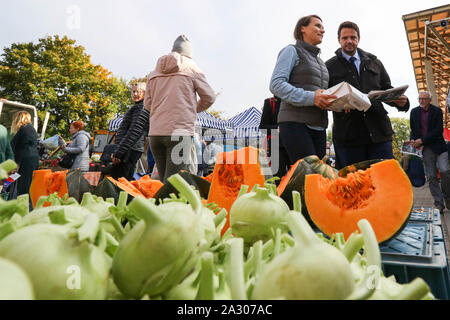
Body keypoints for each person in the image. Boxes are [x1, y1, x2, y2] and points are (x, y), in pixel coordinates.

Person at [325, 21, 409, 169]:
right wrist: (340, 105)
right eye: (345, 38)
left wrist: (400, 101)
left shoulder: (375, 62)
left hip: (379, 134)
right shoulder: (329, 66)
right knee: (353, 185)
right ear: (339, 40)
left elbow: (386, 88)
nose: (349, 41)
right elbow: (326, 97)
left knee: (383, 182)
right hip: (348, 137)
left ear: (358, 38)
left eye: (353, 37)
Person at [144, 35, 216, 182]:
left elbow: (147, 105)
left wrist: (161, 111)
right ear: (189, 53)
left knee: (162, 182)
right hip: (180, 134)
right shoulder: (192, 68)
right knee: (175, 185)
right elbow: (209, 97)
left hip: (155, 135)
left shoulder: (153, 73)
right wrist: (191, 109)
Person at [269, 15, 337, 165]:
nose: (323, 30)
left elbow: (321, 96)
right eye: (318, 26)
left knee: (318, 178)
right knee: (308, 176)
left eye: (323, 27)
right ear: (302, 28)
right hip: (295, 124)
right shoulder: (291, 51)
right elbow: (276, 84)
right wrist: (312, 97)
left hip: (319, 127)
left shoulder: (321, 63)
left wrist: (340, 103)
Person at [410, 91, 450, 214]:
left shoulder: (437, 111)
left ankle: (448, 198)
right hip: (426, 149)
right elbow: (414, 129)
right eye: (419, 99)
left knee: (445, 171)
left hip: (439, 147)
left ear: (429, 100)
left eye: (424, 99)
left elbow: (438, 130)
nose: (421, 101)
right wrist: (413, 140)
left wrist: (422, 140)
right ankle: (439, 204)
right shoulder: (414, 112)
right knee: (432, 177)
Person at [111, 82, 149, 180]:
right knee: (123, 180)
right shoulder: (138, 107)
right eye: (133, 91)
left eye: (138, 92)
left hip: (129, 149)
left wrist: (119, 153)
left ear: (145, 93)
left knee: (120, 181)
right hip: (129, 148)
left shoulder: (141, 107)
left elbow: (135, 131)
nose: (135, 94)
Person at [259, 96, 290, 180]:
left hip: (292, 143)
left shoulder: (292, 100)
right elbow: (262, 127)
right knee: (277, 178)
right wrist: (277, 128)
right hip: (276, 145)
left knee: (294, 177)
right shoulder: (270, 102)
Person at [10, 111, 39, 196]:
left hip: (24, 162)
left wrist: (16, 164)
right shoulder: (29, 128)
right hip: (30, 160)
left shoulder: (24, 129)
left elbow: (20, 148)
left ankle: (18, 204)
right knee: (24, 185)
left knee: (22, 187)